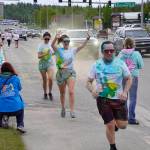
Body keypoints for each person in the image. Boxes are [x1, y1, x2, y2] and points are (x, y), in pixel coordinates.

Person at [86, 41, 132, 150]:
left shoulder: (120, 63)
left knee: (123, 125)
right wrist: (92, 90)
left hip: (119, 99)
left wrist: (125, 92)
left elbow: (129, 78)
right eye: (107, 51)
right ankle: (113, 146)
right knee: (110, 124)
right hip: (103, 99)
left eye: (112, 50)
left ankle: (116, 124)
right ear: (102, 52)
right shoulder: (96, 64)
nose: (110, 53)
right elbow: (88, 81)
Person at [51, 32, 90, 118]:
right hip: (61, 73)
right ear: (62, 42)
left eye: (68, 41)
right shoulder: (59, 50)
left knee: (71, 91)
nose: (66, 43)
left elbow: (82, 46)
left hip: (70, 72)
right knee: (62, 93)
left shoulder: (72, 50)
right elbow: (52, 45)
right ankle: (63, 108)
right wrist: (55, 38)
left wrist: (87, 39)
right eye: (65, 41)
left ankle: (72, 110)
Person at [118, 38, 144, 125]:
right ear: (133, 45)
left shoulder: (121, 54)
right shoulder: (136, 54)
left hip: (124, 77)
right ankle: (131, 118)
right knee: (133, 98)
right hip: (133, 77)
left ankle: (124, 117)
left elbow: (118, 66)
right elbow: (141, 65)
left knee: (124, 96)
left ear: (124, 45)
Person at [0, 62, 26, 133]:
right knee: (20, 103)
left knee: (3, 102)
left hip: (1, 110)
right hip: (16, 109)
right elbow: (19, 88)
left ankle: (3, 120)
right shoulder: (15, 78)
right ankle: (20, 125)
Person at [37, 32, 54, 100]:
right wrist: (46, 53)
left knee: (50, 78)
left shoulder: (51, 45)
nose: (47, 40)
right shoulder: (40, 45)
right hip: (42, 64)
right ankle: (45, 93)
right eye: (45, 38)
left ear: (50, 38)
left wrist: (55, 53)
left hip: (49, 63)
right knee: (45, 80)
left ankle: (50, 92)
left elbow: (53, 53)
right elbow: (39, 56)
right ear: (43, 38)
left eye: (48, 39)